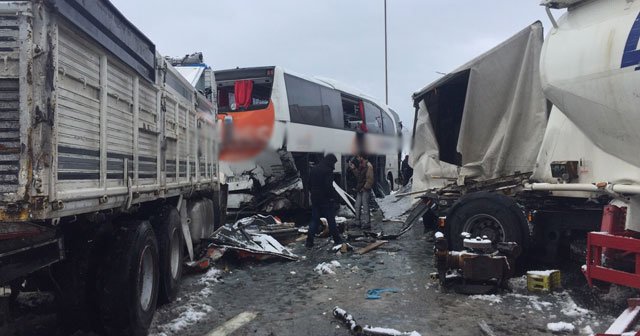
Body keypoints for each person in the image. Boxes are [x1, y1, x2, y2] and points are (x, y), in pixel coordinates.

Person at [306, 154, 343, 248]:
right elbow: (328, 186)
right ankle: (337, 239)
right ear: (330, 161)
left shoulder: (314, 169)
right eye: (334, 163)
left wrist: (313, 193)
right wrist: (334, 197)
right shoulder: (328, 170)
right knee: (331, 220)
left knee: (314, 220)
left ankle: (309, 241)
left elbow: (309, 184)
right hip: (325, 199)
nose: (334, 165)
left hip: (315, 198)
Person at [354, 156, 374, 230]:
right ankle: (357, 222)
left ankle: (367, 223)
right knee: (357, 205)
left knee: (365, 206)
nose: (357, 158)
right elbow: (359, 176)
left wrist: (365, 187)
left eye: (358, 157)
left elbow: (370, 179)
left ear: (362, 157)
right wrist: (354, 169)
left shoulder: (368, 166)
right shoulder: (361, 165)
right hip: (360, 188)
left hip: (365, 189)